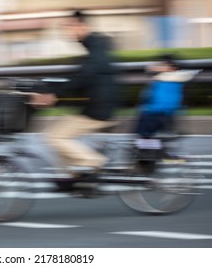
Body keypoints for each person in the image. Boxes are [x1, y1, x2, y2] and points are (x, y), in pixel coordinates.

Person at [30, 10, 118, 176]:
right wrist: (50, 91)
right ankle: (72, 177)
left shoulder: (96, 48)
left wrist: (54, 95)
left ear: (82, 26)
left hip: (98, 111)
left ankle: (93, 161)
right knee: (56, 131)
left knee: (54, 137)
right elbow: (80, 78)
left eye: (70, 26)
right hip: (96, 107)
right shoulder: (95, 45)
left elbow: (84, 77)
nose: (67, 31)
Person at [134, 54, 197, 138]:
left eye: (162, 65)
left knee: (144, 132)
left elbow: (160, 98)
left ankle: (145, 145)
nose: (158, 67)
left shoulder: (167, 80)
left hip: (157, 112)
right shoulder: (170, 78)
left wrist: (146, 107)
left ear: (172, 68)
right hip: (164, 112)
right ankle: (151, 143)